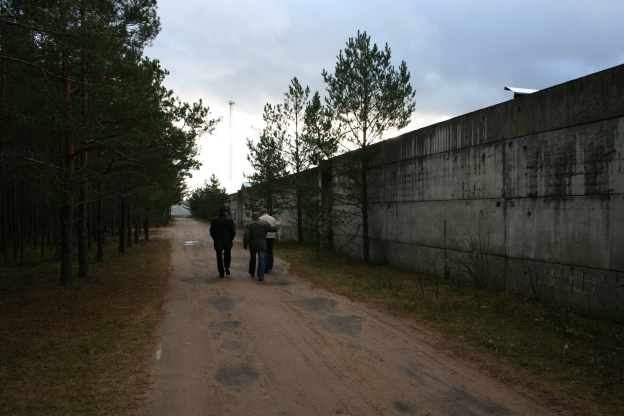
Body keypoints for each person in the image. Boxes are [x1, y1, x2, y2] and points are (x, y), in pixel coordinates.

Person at [243, 212, 280, 281]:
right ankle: (260, 275)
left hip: (253, 244)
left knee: (253, 258)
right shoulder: (264, 224)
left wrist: (245, 245)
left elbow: (246, 236)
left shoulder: (249, 225)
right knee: (262, 259)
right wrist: (277, 225)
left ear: (253, 217)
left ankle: (252, 272)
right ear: (259, 217)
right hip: (262, 244)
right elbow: (272, 229)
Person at [209, 204, 236, 278]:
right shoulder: (230, 220)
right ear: (226, 212)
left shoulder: (214, 220)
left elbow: (211, 231)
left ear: (220, 212)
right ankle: (227, 266)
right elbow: (233, 231)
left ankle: (221, 272)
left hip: (218, 241)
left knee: (219, 256)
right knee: (227, 254)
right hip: (227, 241)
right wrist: (231, 238)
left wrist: (215, 238)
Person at [259, 208, 280, 273]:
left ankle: (265, 265)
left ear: (262, 213)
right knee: (270, 251)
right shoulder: (272, 219)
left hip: (264, 236)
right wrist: (278, 238)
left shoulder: (260, 219)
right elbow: (276, 229)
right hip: (271, 237)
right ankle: (270, 265)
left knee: (264, 251)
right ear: (267, 212)